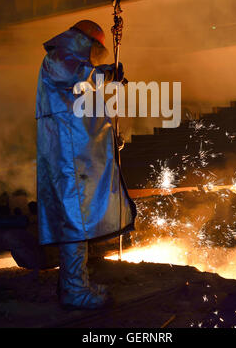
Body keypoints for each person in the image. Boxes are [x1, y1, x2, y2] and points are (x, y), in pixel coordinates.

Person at [36, 20, 136, 310]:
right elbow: (75, 76)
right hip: (69, 160)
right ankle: (74, 291)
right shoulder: (58, 58)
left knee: (76, 221)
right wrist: (103, 73)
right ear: (86, 42)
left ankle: (74, 284)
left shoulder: (70, 61)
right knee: (75, 223)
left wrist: (107, 75)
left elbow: (82, 85)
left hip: (74, 157)